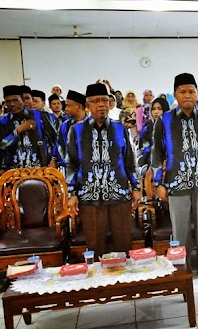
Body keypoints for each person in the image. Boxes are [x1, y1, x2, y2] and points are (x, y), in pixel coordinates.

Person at [151, 73, 198, 281]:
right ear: (175, 94)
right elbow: (157, 154)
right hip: (176, 182)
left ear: (197, 93)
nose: (187, 96)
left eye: (191, 91)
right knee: (180, 230)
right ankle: (182, 270)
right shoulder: (164, 121)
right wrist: (159, 182)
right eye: (183, 92)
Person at [65, 83, 140, 261]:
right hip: (89, 197)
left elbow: (130, 161)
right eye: (96, 101)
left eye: (105, 101)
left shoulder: (120, 129)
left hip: (119, 195)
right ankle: (100, 286)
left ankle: (124, 284)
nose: (101, 105)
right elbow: (71, 164)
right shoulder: (76, 131)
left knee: (123, 245)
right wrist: (72, 193)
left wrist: (136, 187)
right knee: (95, 247)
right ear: (87, 105)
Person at [0, 84, 58, 171]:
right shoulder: (3, 120)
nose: (12, 104)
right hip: (14, 171)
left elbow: (54, 139)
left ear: (23, 100)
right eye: (8, 101)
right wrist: (19, 129)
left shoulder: (40, 116)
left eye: (16, 100)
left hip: (41, 167)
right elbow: (2, 145)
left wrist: (54, 158)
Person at [137, 96, 169, 177]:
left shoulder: (171, 126)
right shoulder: (147, 126)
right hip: (150, 163)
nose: (156, 112)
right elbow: (143, 147)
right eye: (154, 109)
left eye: (159, 109)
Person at [55, 90, 87, 168]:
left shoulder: (92, 124)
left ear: (79, 106)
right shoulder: (65, 125)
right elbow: (60, 147)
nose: (66, 109)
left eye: (68, 106)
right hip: (70, 172)